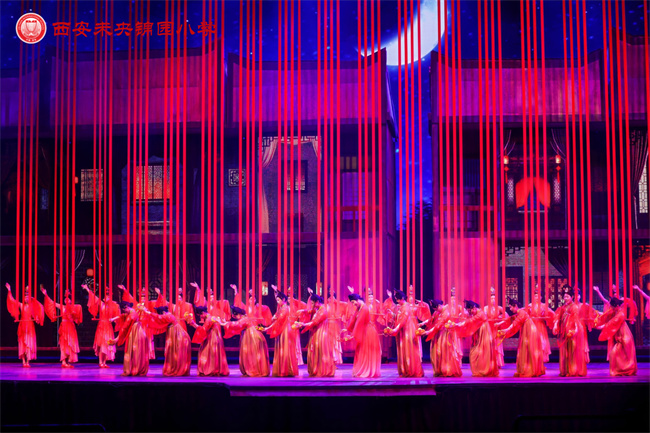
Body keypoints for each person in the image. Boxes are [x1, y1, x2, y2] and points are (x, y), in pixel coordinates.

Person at [497, 298, 546, 377]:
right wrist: (500, 323)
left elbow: (515, 323)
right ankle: (528, 367)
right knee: (526, 349)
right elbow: (511, 319)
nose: (510, 309)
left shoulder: (521, 312)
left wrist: (506, 329)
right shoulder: (519, 312)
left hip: (530, 331)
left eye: (511, 307)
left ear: (515, 306)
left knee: (529, 349)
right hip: (527, 330)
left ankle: (531, 369)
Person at [452, 300, 499, 377]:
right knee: (474, 353)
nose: (470, 313)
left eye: (470, 310)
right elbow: (469, 321)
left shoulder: (480, 314)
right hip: (478, 334)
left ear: (474, 308)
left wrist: (460, 324)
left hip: (484, 334)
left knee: (482, 352)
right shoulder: (475, 314)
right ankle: (479, 370)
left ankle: (484, 370)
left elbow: (471, 320)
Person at [384, 290, 424, 378]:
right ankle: (404, 370)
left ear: (402, 298)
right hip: (402, 330)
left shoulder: (406, 307)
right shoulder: (400, 306)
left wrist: (395, 329)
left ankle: (410, 370)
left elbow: (403, 320)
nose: (397, 301)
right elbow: (399, 317)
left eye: (398, 299)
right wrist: (393, 315)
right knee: (402, 349)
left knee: (408, 349)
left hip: (407, 330)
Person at [296, 294, 336, 377]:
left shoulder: (323, 310)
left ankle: (322, 370)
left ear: (317, 302)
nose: (312, 305)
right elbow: (310, 311)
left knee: (320, 351)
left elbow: (314, 322)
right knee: (315, 350)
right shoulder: (318, 309)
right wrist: (303, 311)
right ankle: (316, 369)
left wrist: (303, 324)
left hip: (321, 333)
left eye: (313, 303)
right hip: (316, 332)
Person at [223, 306, 270, 377]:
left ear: (239, 314)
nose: (236, 318)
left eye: (236, 316)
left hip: (252, 337)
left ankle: (253, 370)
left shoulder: (244, 319)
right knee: (253, 353)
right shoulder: (246, 318)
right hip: (252, 335)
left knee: (251, 354)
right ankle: (256, 370)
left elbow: (236, 325)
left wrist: (225, 324)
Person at [595, 297, 637, 377]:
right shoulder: (616, 312)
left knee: (616, 354)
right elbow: (607, 315)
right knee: (615, 354)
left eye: (612, 307)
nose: (611, 308)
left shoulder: (620, 314)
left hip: (624, 338)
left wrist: (601, 327)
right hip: (620, 338)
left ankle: (626, 370)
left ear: (617, 306)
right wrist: (597, 315)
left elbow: (612, 323)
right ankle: (621, 370)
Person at [342, 293, 381, 378]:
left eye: (353, 302)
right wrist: (348, 329)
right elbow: (354, 320)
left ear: (357, 300)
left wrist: (353, 335)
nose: (353, 304)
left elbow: (359, 322)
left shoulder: (364, 308)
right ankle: (362, 370)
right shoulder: (359, 308)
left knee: (366, 352)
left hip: (368, 332)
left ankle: (367, 371)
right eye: (352, 303)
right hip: (364, 331)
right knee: (360, 351)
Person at [42, 287, 82, 368]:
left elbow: (77, 315)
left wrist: (73, 313)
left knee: (70, 343)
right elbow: (52, 303)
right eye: (65, 299)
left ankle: (68, 361)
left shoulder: (74, 307)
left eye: (68, 299)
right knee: (64, 344)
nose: (66, 300)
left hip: (70, 327)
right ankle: (63, 361)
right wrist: (46, 294)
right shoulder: (62, 307)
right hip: (64, 327)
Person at [5, 283, 44, 367]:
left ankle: (27, 361)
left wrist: (37, 318)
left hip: (30, 326)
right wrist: (9, 290)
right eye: (25, 297)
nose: (26, 299)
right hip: (22, 325)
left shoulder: (32, 307)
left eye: (28, 297)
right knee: (22, 342)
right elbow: (12, 301)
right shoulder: (21, 305)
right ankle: (23, 361)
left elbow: (39, 307)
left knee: (29, 342)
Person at [552, 287, 588, 377]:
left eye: (567, 297)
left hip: (572, 330)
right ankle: (565, 370)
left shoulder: (574, 307)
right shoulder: (563, 307)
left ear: (572, 297)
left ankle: (573, 370)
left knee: (572, 350)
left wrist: (575, 329)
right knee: (565, 351)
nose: (565, 298)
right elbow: (558, 317)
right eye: (564, 297)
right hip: (564, 330)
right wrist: (555, 325)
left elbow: (575, 319)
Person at [262, 291, 299, 377]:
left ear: (283, 300)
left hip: (285, 330)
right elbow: (276, 318)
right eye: (277, 300)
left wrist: (268, 328)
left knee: (285, 349)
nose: (277, 302)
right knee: (282, 348)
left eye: (278, 300)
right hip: (281, 329)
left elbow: (279, 321)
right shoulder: (281, 308)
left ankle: (286, 370)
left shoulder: (285, 308)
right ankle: (282, 369)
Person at [108, 301, 151, 376]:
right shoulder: (132, 311)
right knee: (136, 350)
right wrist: (114, 318)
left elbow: (124, 327)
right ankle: (136, 368)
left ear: (126, 307)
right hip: (138, 331)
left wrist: (117, 339)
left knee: (134, 350)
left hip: (136, 333)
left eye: (124, 310)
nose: (125, 312)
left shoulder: (132, 315)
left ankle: (133, 369)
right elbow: (122, 316)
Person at [83, 284, 120, 368]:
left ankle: (104, 362)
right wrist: (87, 289)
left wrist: (113, 319)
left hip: (108, 326)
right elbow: (93, 296)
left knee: (107, 344)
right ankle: (100, 362)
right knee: (102, 344)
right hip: (101, 326)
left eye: (108, 295)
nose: (106, 297)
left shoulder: (114, 305)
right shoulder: (101, 303)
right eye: (106, 295)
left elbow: (119, 316)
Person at [149, 306, 192, 377]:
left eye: (160, 313)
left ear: (163, 312)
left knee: (176, 352)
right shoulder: (169, 316)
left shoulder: (168, 316)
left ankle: (177, 369)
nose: (160, 315)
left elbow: (159, 317)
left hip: (178, 336)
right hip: (175, 334)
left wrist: (148, 312)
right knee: (173, 351)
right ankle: (175, 367)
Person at [190, 306, 229, 377]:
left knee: (208, 353)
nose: (200, 317)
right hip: (212, 336)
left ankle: (211, 369)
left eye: (200, 315)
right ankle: (212, 369)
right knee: (209, 353)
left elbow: (203, 330)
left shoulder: (209, 319)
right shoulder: (210, 318)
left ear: (203, 313)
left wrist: (193, 324)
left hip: (212, 338)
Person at [525, 285, 554, 363]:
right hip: (532, 326)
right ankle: (533, 361)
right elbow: (525, 314)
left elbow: (552, 314)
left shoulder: (544, 306)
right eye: (535, 296)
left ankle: (540, 361)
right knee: (532, 342)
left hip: (541, 325)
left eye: (538, 296)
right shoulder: (530, 306)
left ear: (541, 297)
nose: (536, 297)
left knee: (541, 342)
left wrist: (546, 317)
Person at [484, 287, 508, 368]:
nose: (493, 300)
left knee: (497, 345)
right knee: (489, 345)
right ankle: (489, 363)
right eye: (491, 298)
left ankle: (498, 363)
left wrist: (500, 321)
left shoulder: (499, 308)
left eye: (494, 298)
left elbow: (506, 317)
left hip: (497, 329)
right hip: (489, 329)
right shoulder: (486, 308)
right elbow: (483, 317)